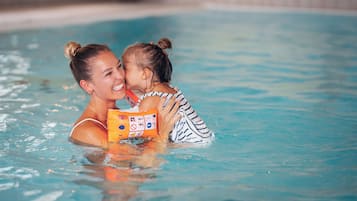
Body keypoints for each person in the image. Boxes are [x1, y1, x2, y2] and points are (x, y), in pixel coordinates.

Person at [64, 41, 181, 148]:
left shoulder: (123, 118)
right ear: (87, 86)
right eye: (108, 73)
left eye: (119, 66)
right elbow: (140, 167)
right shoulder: (87, 131)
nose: (120, 76)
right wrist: (161, 134)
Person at [122, 38, 215, 144]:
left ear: (145, 74)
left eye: (125, 68)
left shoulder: (150, 100)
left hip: (190, 146)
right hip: (204, 139)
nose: (121, 72)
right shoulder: (170, 91)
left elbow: (140, 135)